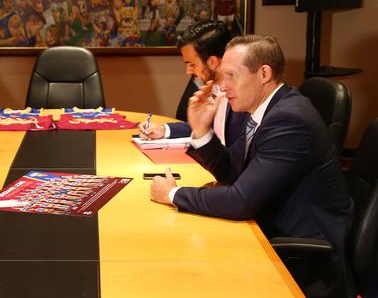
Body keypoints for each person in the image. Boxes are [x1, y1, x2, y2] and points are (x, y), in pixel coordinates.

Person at [150, 35, 354, 298]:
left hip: (305, 259)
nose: (222, 87)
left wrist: (172, 194)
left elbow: (240, 201)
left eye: (232, 76)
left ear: (264, 74)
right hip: (270, 229)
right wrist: (200, 131)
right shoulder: (267, 111)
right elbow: (234, 174)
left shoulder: (288, 119)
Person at [139, 20, 244, 146]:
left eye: (192, 64)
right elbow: (204, 125)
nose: (188, 71)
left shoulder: (242, 98)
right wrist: (164, 130)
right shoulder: (211, 86)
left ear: (212, 62)